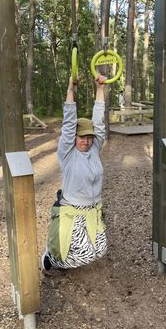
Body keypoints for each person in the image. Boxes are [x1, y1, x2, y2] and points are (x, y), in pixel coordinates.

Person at [41, 74, 108, 271]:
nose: (86, 141)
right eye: (82, 137)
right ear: (74, 138)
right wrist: (71, 90)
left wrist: (100, 89)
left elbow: (99, 123)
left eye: (89, 137)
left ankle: (63, 251)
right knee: (84, 255)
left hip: (93, 210)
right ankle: (50, 258)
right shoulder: (68, 154)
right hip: (73, 210)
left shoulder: (94, 150)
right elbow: (69, 125)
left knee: (100, 249)